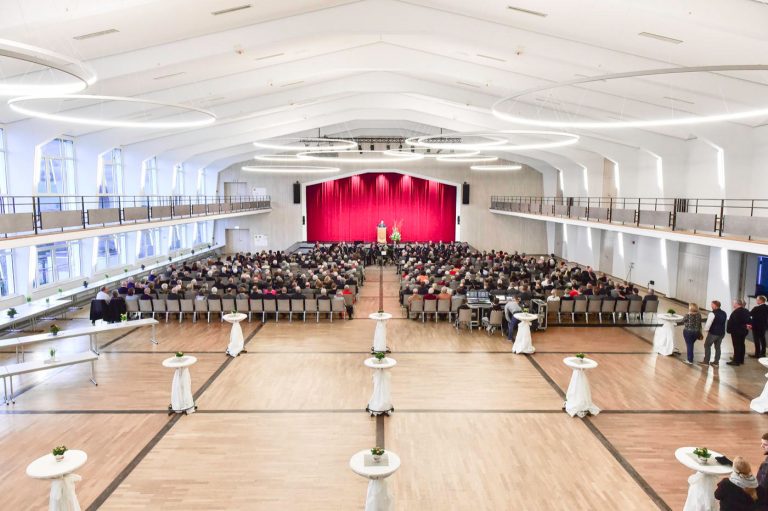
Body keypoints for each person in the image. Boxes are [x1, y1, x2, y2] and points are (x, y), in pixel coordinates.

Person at [701, 300, 728, 366]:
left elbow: (708, 323)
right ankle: (716, 362)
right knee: (718, 347)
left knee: (707, 345)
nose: (711, 306)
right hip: (721, 333)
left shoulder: (712, 313)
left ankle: (706, 361)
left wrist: (706, 330)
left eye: (712, 304)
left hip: (713, 333)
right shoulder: (724, 313)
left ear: (715, 306)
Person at [728, 299, 751, 366]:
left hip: (736, 331)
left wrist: (729, 329)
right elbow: (749, 320)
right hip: (743, 331)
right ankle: (741, 359)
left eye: (733, 303)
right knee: (742, 345)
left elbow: (736, 323)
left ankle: (736, 361)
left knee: (737, 346)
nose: (733, 304)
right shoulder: (746, 311)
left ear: (737, 304)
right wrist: (746, 326)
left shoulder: (736, 312)